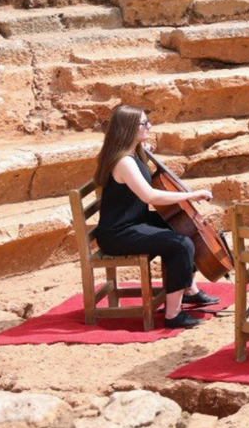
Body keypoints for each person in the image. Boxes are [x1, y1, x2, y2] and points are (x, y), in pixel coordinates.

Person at [91, 105, 219, 329]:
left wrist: (143, 151)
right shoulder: (124, 162)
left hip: (132, 222)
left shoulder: (132, 154)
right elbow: (149, 195)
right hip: (118, 233)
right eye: (144, 123)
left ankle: (188, 290)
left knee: (181, 229)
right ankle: (173, 315)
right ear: (129, 128)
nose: (149, 126)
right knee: (180, 244)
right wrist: (191, 194)